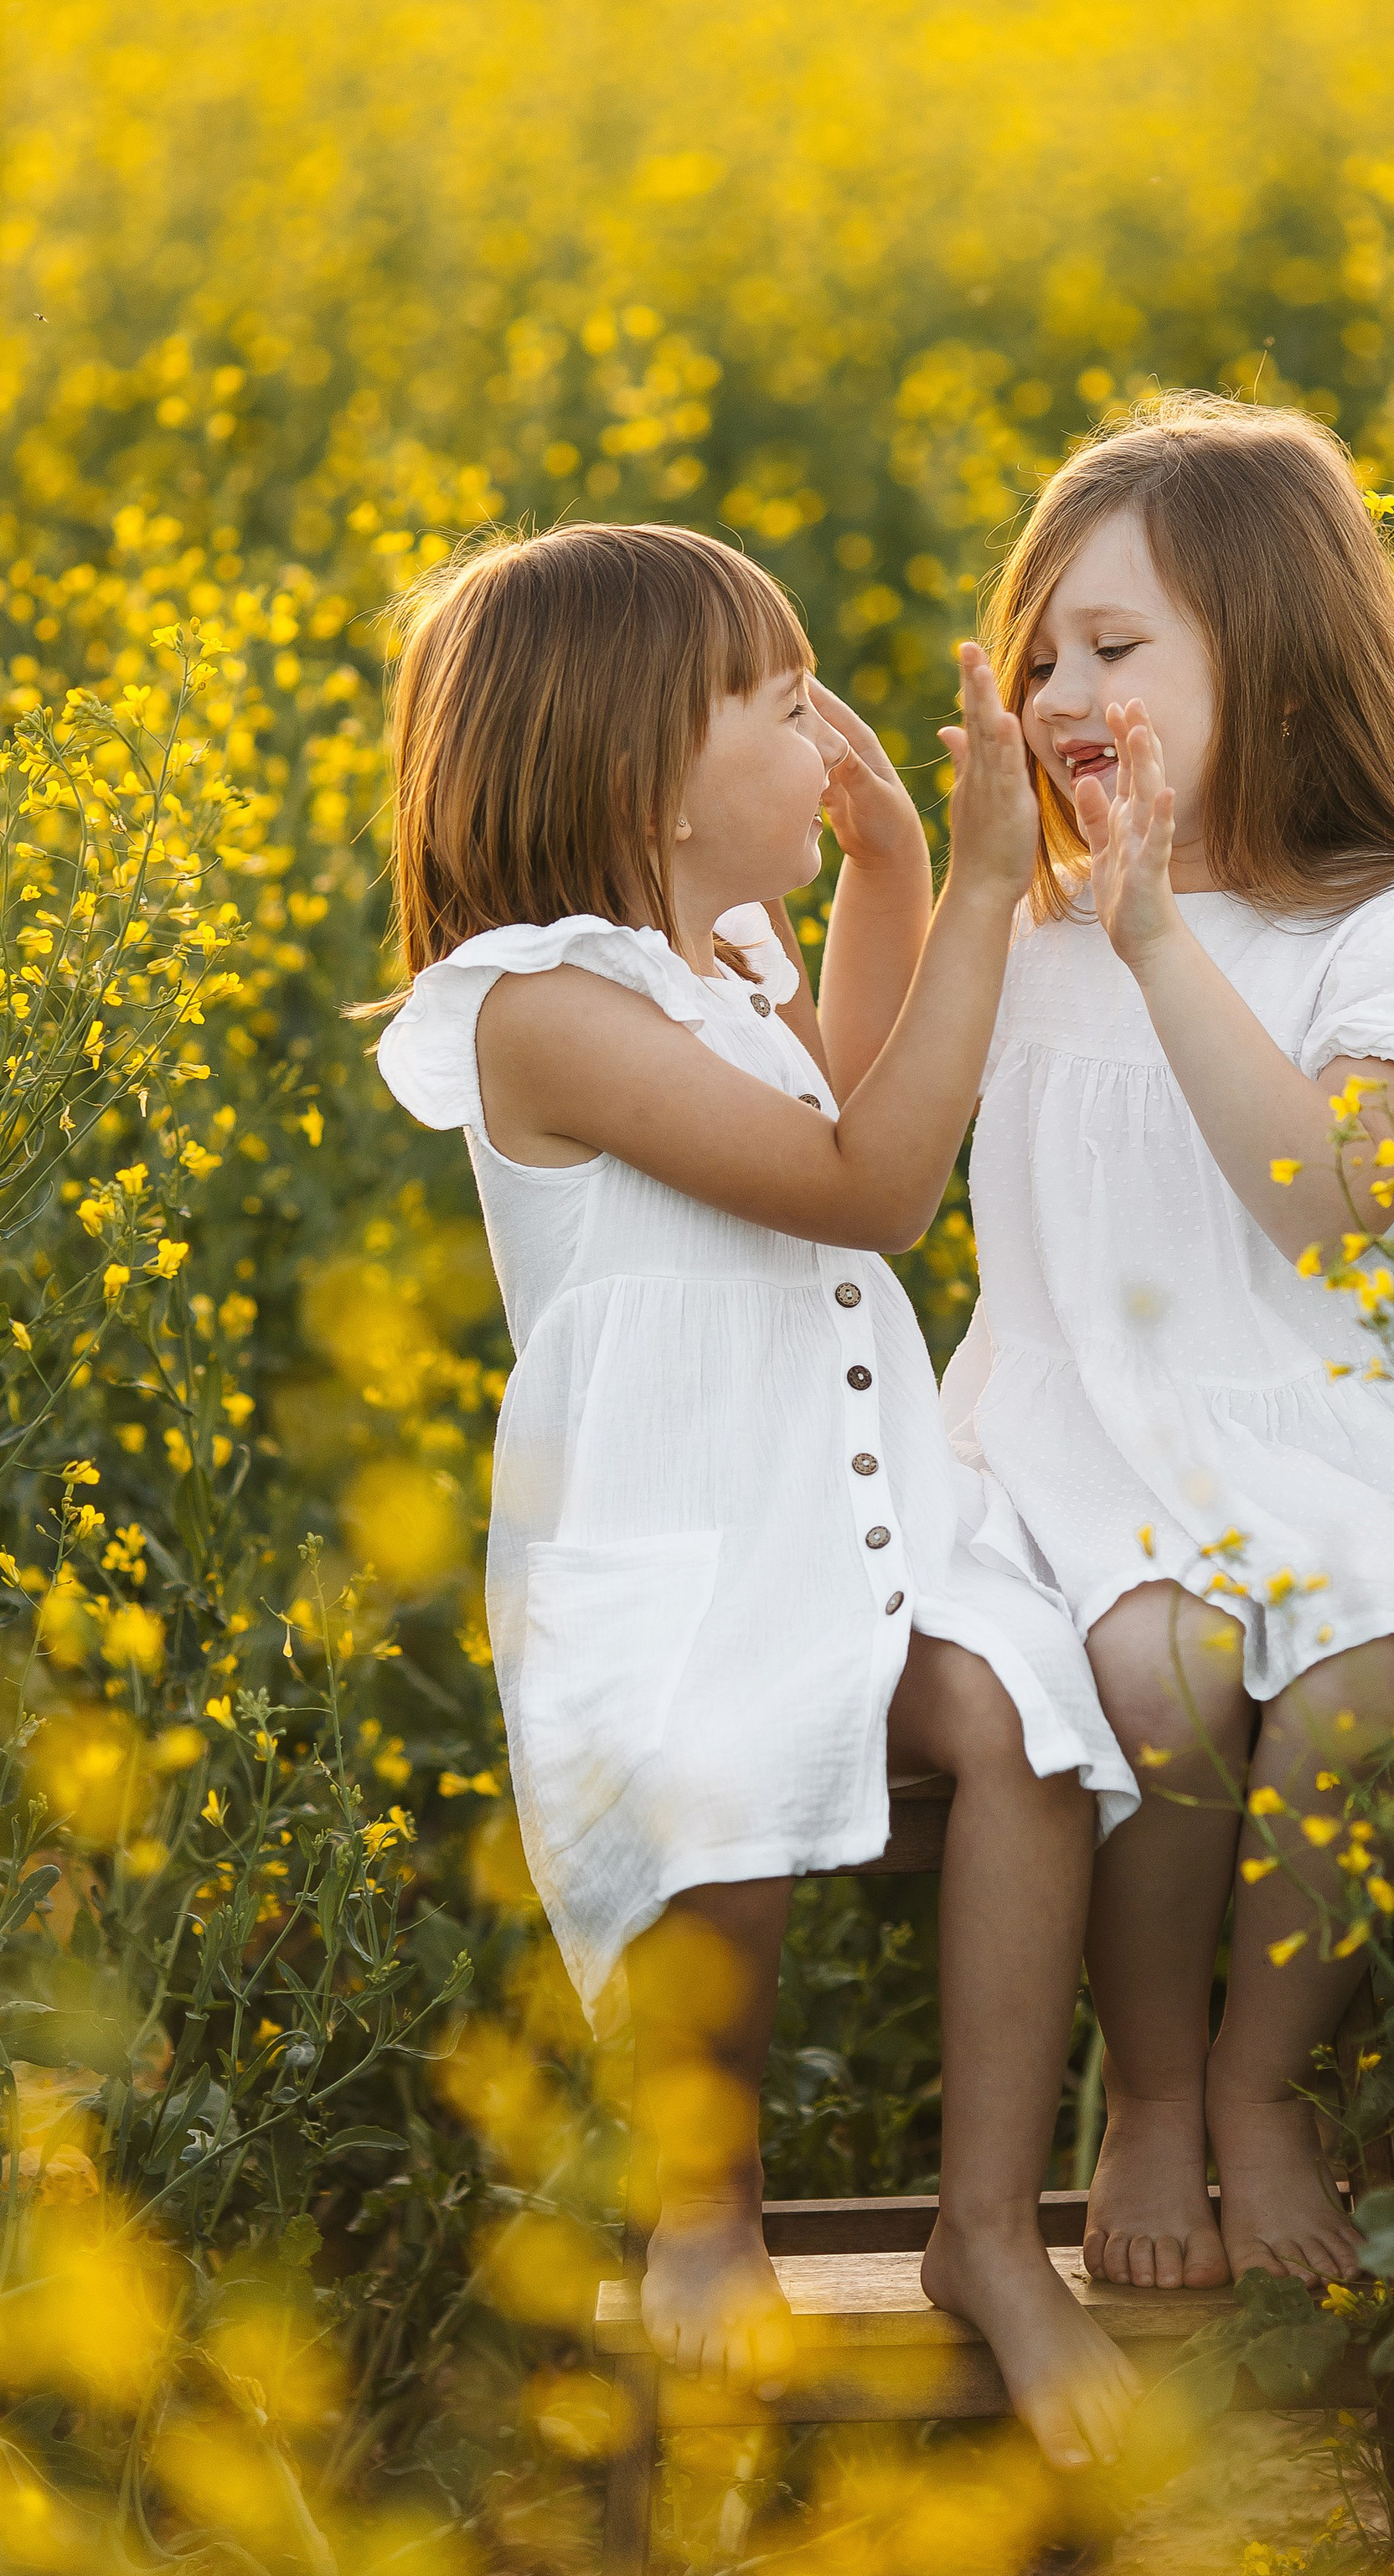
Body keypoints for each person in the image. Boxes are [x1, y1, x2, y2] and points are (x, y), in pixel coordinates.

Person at [368, 521, 1140, 2468]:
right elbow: (872, 1182)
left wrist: (889, 868)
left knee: (1025, 1731)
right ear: (640, 772)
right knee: (712, 1766)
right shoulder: (540, 1008)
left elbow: (853, 1086)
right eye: (781, 706)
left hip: (860, 1508)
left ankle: (987, 2230)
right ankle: (701, 2203)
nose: (829, 734)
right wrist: (972, 886)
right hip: (685, 1539)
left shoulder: (716, 965)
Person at [942, 392, 1394, 2296]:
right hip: (1086, 1432)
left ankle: (1267, 2085)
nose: (1059, 688)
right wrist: (932, 871)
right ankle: (1155, 2089)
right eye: (1038, 650)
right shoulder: (1024, 928)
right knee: (1169, 1673)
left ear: (1272, 663)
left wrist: (1157, 944)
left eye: (1113, 647)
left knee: (1355, 1671)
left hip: (1344, 1429)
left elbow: (1326, 1201)